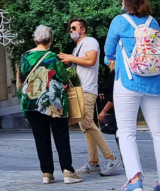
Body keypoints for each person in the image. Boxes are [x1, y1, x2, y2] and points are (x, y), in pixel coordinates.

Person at [105, 0, 160, 191]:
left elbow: (109, 51)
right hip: (155, 82)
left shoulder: (119, 21)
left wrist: (115, 57)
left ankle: (135, 181)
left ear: (124, 2)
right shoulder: (154, 22)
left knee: (126, 132)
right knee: (159, 131)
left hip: (128, 81)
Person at [18, 25, 83, 185]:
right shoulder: (53, 57)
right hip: (53, 101)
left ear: (35, 39)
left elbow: (20, 77)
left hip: (31, 101)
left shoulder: (24, 57)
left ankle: (47, 173)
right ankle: (68, 171)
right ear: (51, 40)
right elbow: (62, 76)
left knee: (41, 136)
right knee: (60, 134)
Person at [58, 18, 122, 176]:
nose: (71, 31)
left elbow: (91, 60)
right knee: (85, 126)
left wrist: (70, 58)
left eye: (74, 28)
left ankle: (111, 158)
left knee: (87, 123)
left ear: (83, 29)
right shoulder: (77, 48)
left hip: (87, 90)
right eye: (70, 29)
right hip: (79, 90)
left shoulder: (90, 41)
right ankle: (93, 162)